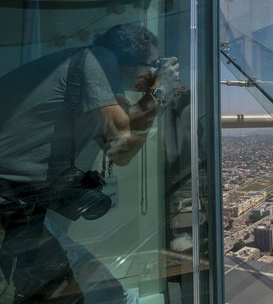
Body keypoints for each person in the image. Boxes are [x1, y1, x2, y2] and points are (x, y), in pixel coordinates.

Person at [0, 24, 179, 302]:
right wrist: (159, 91)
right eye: (152, 63)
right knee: (54, 291)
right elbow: (121, 128)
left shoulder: (98, 92)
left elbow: (122, 152)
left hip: (18, 199)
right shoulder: (98, 57)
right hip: (10, 197)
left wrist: (156, 99)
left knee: (58, 289)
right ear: (128, 58)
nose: (153, 71)